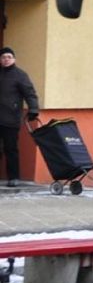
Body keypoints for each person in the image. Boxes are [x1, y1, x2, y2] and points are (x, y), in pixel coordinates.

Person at [0, 46, 40, 187]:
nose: (6, 60)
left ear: (14, 59)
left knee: (11, 149)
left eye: (9, 57)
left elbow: (30, 93)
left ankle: (14, 177)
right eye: (3, 57)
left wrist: (33, 109)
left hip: (10, 118)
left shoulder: (20, 75)